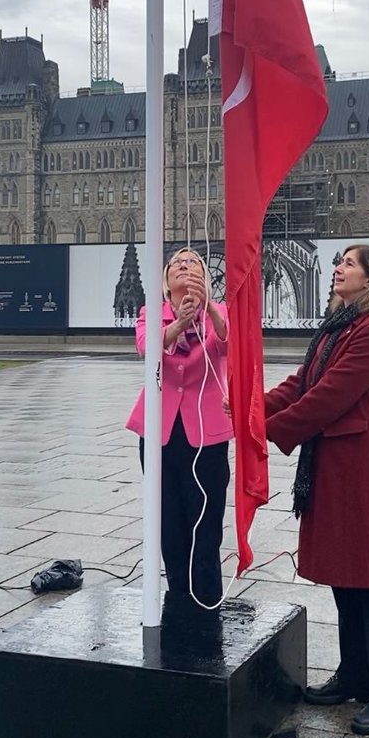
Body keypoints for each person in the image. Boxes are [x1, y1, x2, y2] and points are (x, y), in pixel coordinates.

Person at [264, 244, 369, 736]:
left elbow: (329, 396)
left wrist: (271, 428)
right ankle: (356, 676)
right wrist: (248, 407)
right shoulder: (335, 330)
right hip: (332, 464)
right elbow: (301, 384)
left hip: (361, 467)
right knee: (346, 576)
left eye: (348, 263)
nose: (337, 269)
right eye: (338, 263)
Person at [126, 248, 232, 609]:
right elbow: (147, 348)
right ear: (165, 280)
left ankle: (206, 598)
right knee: (168, 521)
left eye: (193, 263)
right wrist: (177, 325)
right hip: (160, 432)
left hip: (206, 432)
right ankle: (178, 596)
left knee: (205, 519)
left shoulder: (219, 313)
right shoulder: (150, 314)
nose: (184, 266)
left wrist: (209, 309)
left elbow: (229, 342)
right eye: (177, 263)